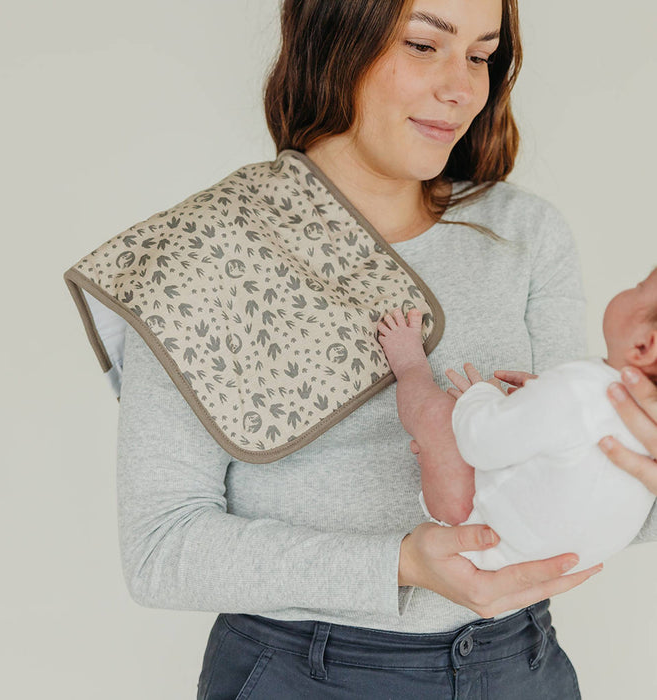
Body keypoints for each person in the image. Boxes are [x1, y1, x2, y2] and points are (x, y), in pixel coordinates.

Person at [112, 1, 657, 698]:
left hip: (520, 664)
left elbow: (575, 486)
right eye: (424, 45)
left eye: (480, 55)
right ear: (335, 38)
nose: (461, 88)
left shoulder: (524, 233)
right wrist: (400, 563)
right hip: (307, 673)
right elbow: (161, 550)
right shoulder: (205, 254)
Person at [376, 266, 657, 572]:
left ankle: (408, 363)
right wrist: (533, 402)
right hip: (542, 567)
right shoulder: (648, 427)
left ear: (644, 345)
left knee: (436, 416)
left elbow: (479, 441)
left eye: (639, 287)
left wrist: (482, 396)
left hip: (477, 533)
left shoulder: (580, 389)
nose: (631, 288)